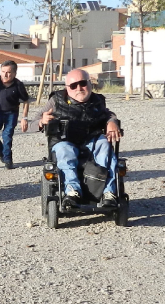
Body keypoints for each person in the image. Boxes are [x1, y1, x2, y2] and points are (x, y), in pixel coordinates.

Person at [35, 69, 122, 207]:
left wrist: (112, 122)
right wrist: (41, 121)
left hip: (91, 140)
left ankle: (109, 193)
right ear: (67, 88)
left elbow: (109, 114)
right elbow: (33, 122)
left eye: (82, 83)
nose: (79, 88)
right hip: (65, 141)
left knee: (105, 145)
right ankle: (72, 191)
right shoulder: (55, 100)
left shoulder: (98, 100)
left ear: (90, 84)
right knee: (64, 150)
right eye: (73, 85)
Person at [0, 60, 30, 169]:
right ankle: (1, 152)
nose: (5, 74)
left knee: (7, 136)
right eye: (3, 71)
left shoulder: (18, 85)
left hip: (11, 113)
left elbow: (26, 101)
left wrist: (24, 117)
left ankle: (8, 160)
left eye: (9, 72)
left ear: (14, 73)